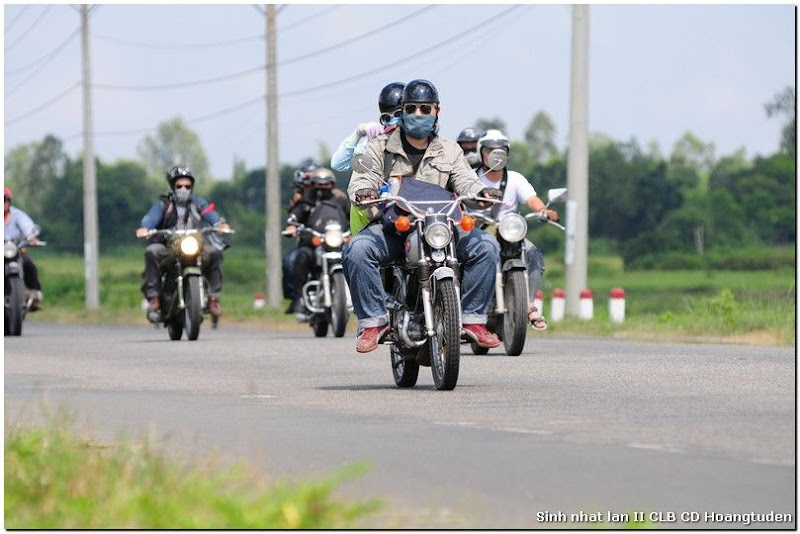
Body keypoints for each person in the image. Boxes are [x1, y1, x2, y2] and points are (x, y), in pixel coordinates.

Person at [343, 79, 503, 353]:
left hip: (441, 226)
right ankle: (373, 322)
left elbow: (466, 180)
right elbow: (363, 177)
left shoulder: (450, 149)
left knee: (486, 246)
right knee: (357, 250)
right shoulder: (379, 146)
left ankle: (474, 319)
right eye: (412, 108)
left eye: (425, 109)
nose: (418, 114)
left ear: (436, 112)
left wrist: (481, 192)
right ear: (402, 111)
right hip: (396, 226)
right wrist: (364, 191)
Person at [473, 129, 559, 330]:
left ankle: (528, 304)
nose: (495, 155)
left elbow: (531, 199)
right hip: (478, 231)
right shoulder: (470, 177)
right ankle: (464, 309)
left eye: (500, 150)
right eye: (490, 150)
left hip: (508, 230)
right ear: (481, 153)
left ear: (507, 154)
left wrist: (544, 211)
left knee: (534, 255)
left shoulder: (515, 178)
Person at [135, 166, 230, 319]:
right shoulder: (164, 205)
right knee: (152, 251)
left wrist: (220, 224)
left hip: (196, 245)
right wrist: (145, 228)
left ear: (192, 187)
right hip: (169, 246)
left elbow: (210, 214)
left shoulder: (199, 203)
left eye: (187, 186)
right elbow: (151, 218)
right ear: (173, 186)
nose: (183, 189)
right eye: (179, 186)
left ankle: (213, 299)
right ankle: (154, 297)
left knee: (215, 253)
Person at [284, 167, 350, 320]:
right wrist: (292, 226)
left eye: (326, 184)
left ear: (332, 184)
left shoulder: (340, 200)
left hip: (337, 242)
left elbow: (352, 215)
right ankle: (300, 299)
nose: (322, 188)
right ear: (312, 184)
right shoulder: (306, 201)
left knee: (357, 257)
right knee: (302, 256)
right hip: (313, 242)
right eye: (318, 184)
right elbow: (296, 215)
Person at [330, 82, 404, 173]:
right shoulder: (377, 142)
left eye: (398, 114)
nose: (393, 120)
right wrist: (358, 133)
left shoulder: (419, 138)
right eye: (387, 117)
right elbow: (338, 164)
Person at [282, 162, 318, 313]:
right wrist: (291, 226)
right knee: (290, 261)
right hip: (308, 241)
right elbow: (294, 216)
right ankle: (297, 298)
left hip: (330, 241)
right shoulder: (301, 201)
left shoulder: (333, 197)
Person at [3, 185, 43, 309]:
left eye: (4, 199)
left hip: (15, 250)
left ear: (9, 201)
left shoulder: (17, 214)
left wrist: (32, 237)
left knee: (29, 264)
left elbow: (28, 227)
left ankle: (33, 294)